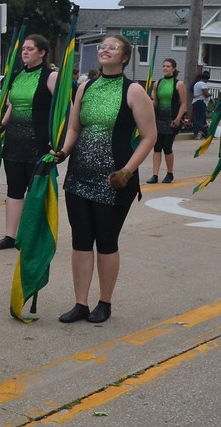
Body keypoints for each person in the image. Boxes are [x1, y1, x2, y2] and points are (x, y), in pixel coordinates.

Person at [54, 35, 156, 324]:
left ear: (125, 57)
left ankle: (104, 302)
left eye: (113, 47)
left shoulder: (134, 91)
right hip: (79, 177)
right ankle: (80, 303)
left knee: (107, 241)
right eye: (102, 47)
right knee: (81, 240)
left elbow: (150, 137)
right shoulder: (86, 86)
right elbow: (75, 127)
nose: (105, 50)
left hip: (114, 181)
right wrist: (62, 152)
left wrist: (127, 171)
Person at [0, 34, 59, 250]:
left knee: (35, 191)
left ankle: (31, 236)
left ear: (42, 53)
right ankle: (10, 236)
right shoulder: (18, 76)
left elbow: (63, 108)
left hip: (38, 143)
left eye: (30, 49)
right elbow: (13, 104)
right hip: (13, 142)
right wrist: (0, 125)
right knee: (14, 189)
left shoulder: (51, 76)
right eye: (24, 49)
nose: (25, 52)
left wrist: (57, 139)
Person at [147, 58, 186, 184]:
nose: (165, 68)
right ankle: (155, 175)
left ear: (173, 69)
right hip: (158, 120)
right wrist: (147, 103)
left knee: (167, 148)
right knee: (157, 147)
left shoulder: (178, 84)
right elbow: (155, 102)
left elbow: (184, 103)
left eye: (168, 66)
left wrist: (178, 118)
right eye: (164, 66)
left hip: (171, 120)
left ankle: (170, 173)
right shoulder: (157, 83)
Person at [191, 71, 211, 139]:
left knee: (196, 118)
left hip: (195, 101)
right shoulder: (203, 84)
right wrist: (210, 93)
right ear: (205, 79)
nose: (207, 81)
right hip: (201, 102)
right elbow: (206, 94)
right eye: (207, 79)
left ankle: (194, 133)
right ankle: (196, 134)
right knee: (200, 119)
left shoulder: (196, 84)